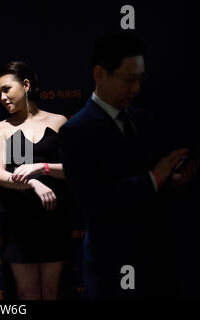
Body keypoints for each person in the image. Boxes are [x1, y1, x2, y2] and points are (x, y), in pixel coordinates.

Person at [58, 32, 197, 299]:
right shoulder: (76, 132)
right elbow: (93, 201)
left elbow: (153, 190)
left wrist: (173, 182)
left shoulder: (145, 120)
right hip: (113, 265)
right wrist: (155, 178)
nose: (137, 88)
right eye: (129, 79)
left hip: (161, 262)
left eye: (140, 78)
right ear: (99, 74)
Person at [0, 61, 70, 300]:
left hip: (53, 216)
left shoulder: (59, 121)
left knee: (51, 292)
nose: (2, 97)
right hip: (19, 219)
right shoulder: (1, 128)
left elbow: (72, 170)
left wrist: (41, 168)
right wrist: (32, 182)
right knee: (28, 294)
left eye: (6, 89)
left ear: (25, 85)